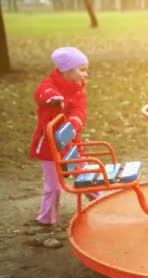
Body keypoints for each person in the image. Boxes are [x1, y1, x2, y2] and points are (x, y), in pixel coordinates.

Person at [29, 47, 96, 226]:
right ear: (67, 70)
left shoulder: (78, 89)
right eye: (82, 69)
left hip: (70, 143)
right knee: (53, 187)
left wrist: (74, 123)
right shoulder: (49, 86)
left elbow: (79, 110)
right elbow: (42, 94)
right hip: (49, 147)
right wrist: (54, 99)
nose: (85, 74)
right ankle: (45, 220)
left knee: (85, 172)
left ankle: (99, 202)